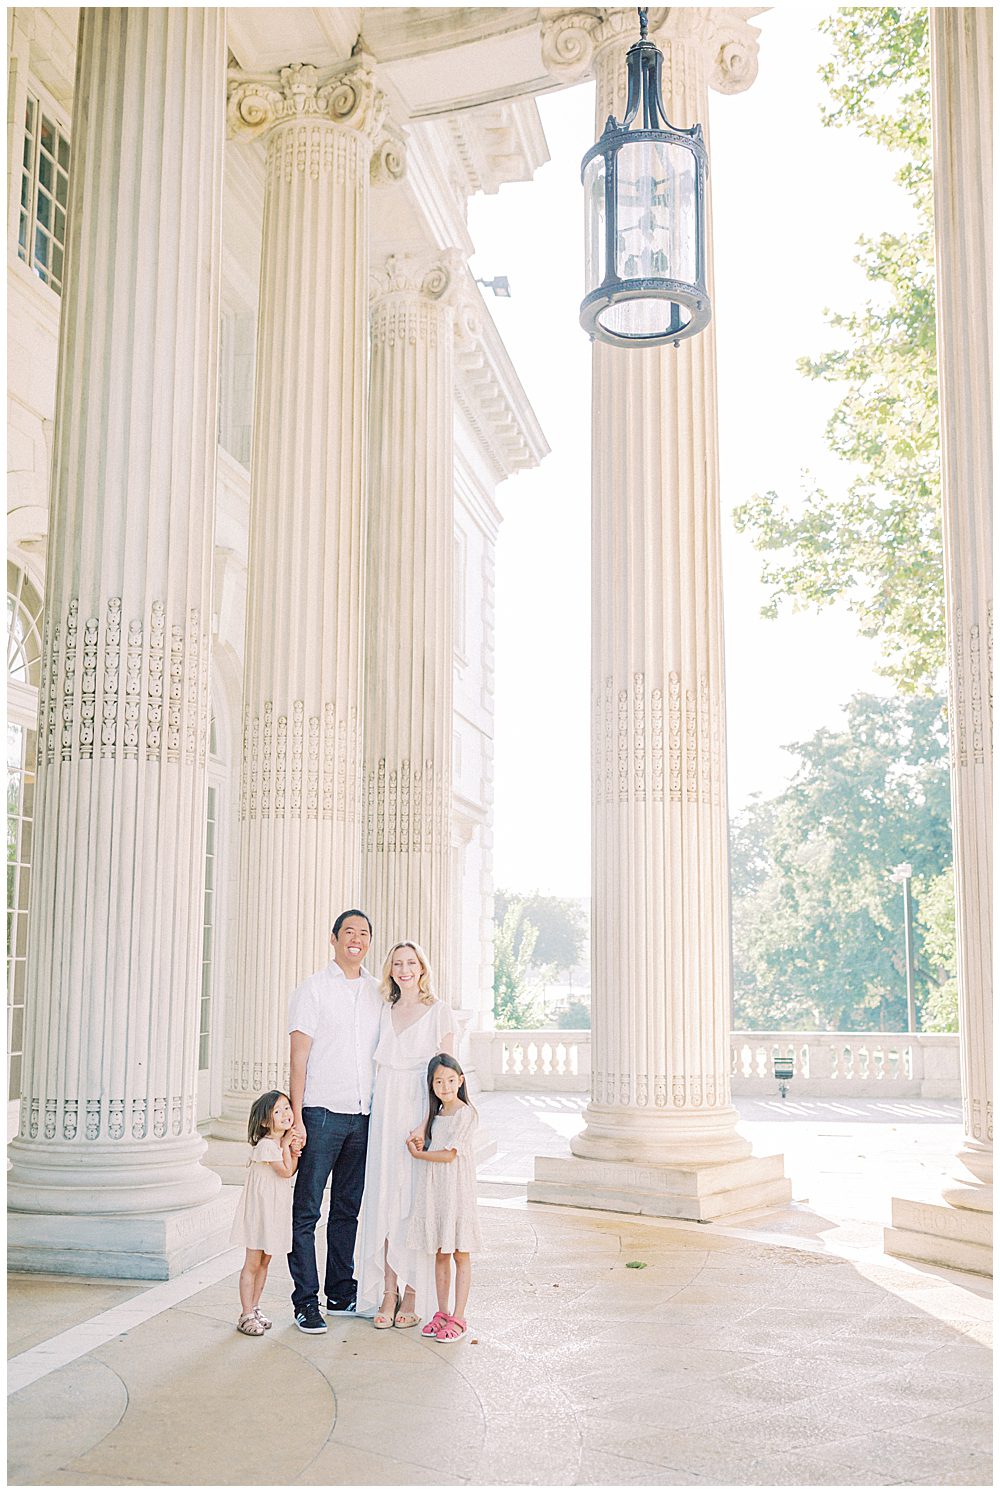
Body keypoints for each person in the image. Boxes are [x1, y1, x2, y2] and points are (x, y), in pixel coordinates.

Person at [287, 908, 382, 1333]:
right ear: (333, 939)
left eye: (363, 933)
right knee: (307, 1211)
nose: (355, 939)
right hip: (321, 1114)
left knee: (348, 1210)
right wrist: (296, 1118)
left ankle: (341, 1291)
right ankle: (305, 1301)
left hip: (363, 1116)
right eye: (348, 932)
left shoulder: (379, 992)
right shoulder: (313, 989)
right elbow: (298, 1057)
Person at [355, 942, 454, 1329]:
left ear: (423, 968)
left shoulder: (439, 1012)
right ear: (390, 970)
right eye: (397, 963)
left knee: (412, 1200)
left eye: (411, 962)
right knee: (384, 1196)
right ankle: (387, 1292)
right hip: (385, 1113)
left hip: (417, 1110)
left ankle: (412, 1293)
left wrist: (427, 1124)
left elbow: (446, 1075)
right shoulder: (384, 1010)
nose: (404, 969)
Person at [406, 1053, 482, 1343]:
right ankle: (442, 1312)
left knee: (461, 1252)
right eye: (439, 1081)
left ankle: (459, 1317)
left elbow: (450, 1155)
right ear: (432, 1085)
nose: (445, 1086)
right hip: (437, 1191)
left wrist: (419, 1154)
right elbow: (429, 1140)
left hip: (457, 1191)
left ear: (461, 1080)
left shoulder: (466, 1114)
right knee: (441, 1252)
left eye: (450, 1080)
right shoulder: (435, 1116)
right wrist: (418, 1139)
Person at [230, 1090, 301, 1336]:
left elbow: (289, 1169)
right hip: (260, 1213)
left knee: (265, 1261)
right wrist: (285, 1146)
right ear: (264, 1121)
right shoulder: (265, 1146)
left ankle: (255, 1307)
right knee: (252, 1262)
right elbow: (284, 1172)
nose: (285, 1114)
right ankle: (246, 1313)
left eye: (287, 1108)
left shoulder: (279, 1145)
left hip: (274, 1212)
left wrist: (291, 1150)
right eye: (277, 1111)